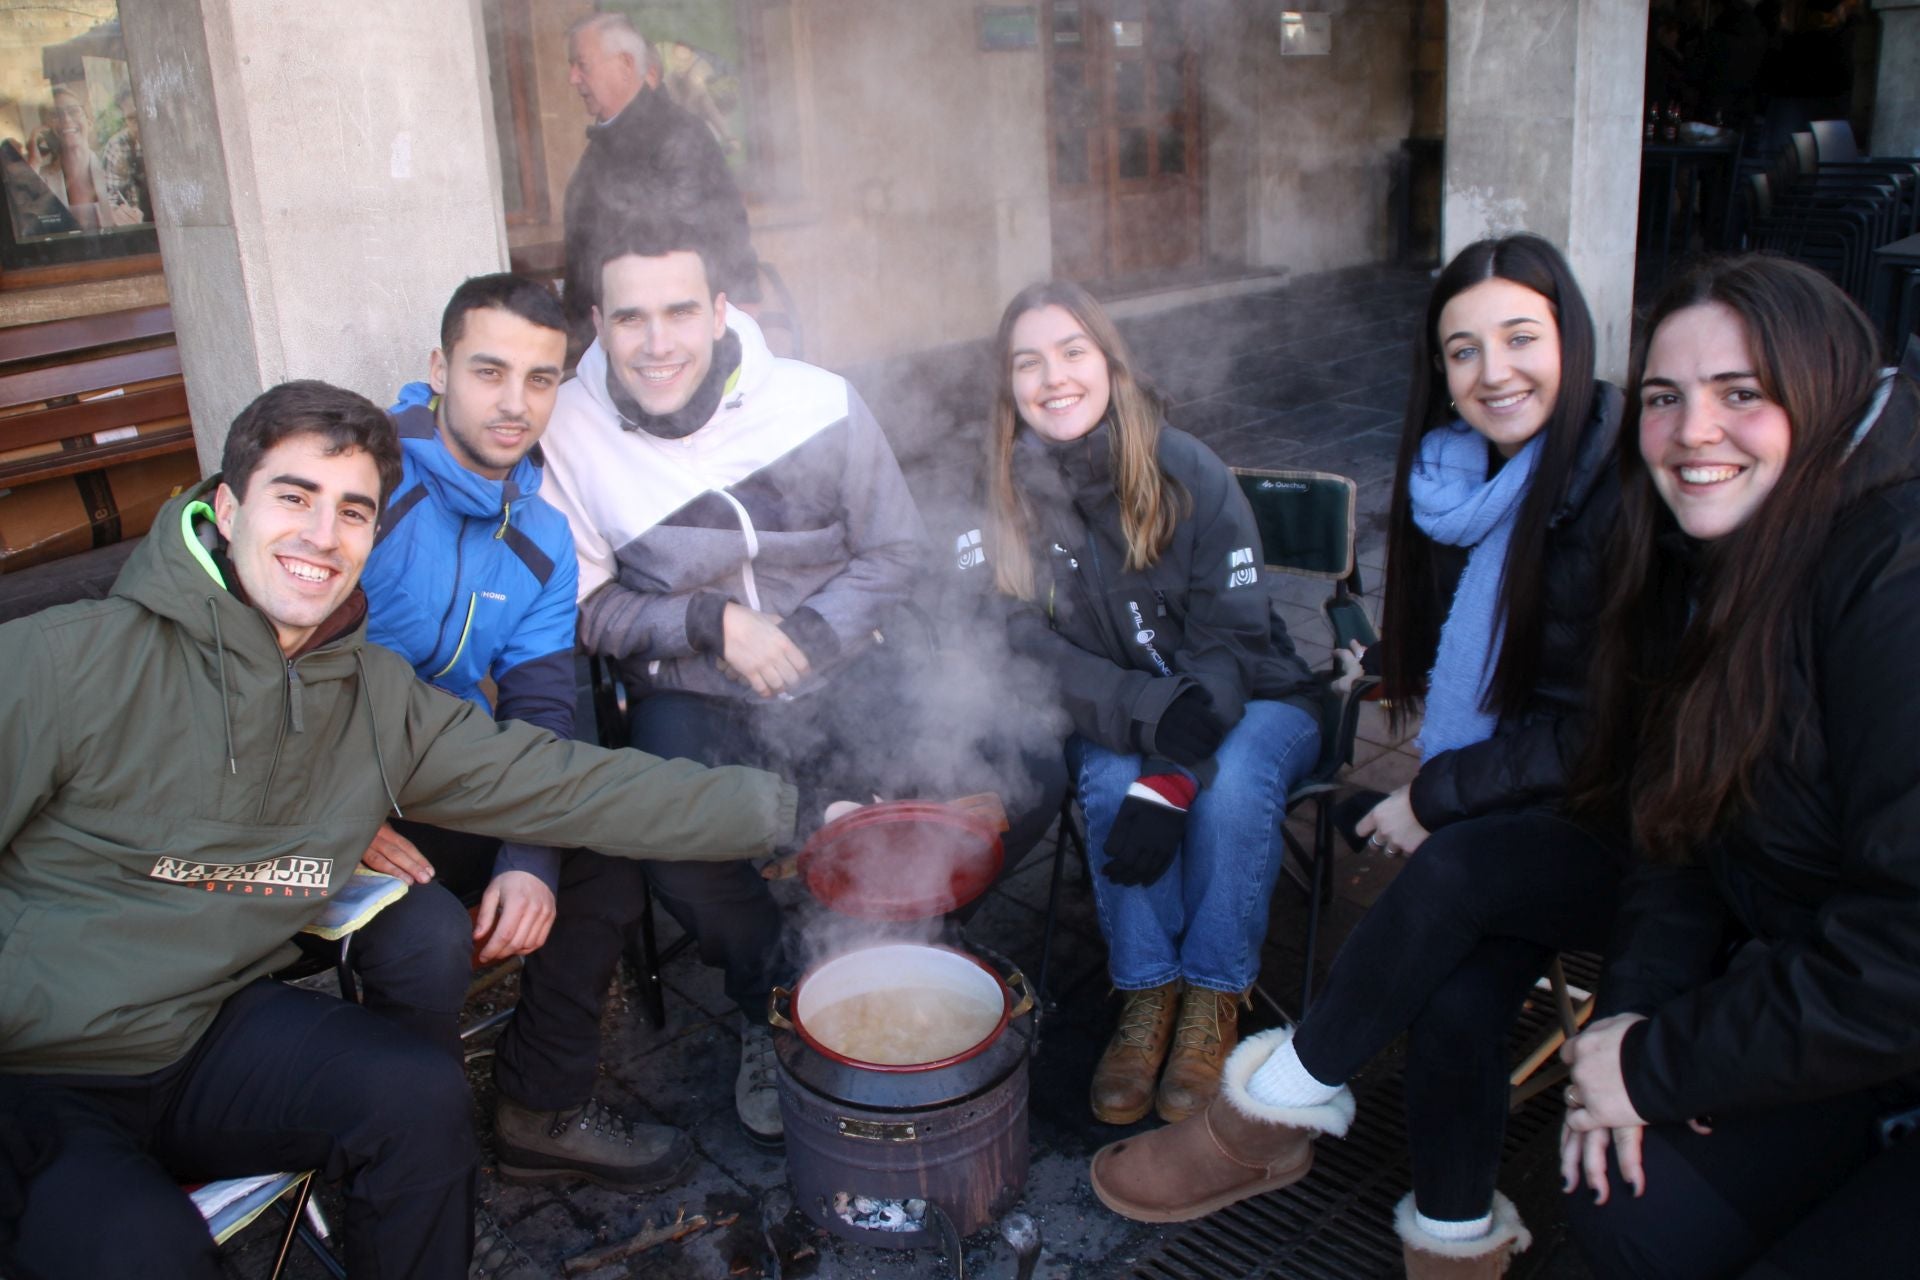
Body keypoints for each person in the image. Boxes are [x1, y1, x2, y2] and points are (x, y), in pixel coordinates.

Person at [0, 380, 796, 1280]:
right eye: (292, 497)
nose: (320, 535)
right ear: (226, 508)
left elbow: (565, 784)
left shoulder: (375, 700)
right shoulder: (63, 662)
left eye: (353, 511)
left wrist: (780, 808)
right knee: (140, 1248)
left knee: (418, 1098)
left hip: (197, 1042)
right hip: (37, 1067)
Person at [1086, 234, 1628, 1278]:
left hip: (1628, 817)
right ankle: (1457, 1238)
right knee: (1460, 998)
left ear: (1574, 336)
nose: (1492, 371)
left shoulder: (1615, 493)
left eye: (1522, 337)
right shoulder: (1471, 478)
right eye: (1462, 351)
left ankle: (1271, 1107)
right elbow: (1509, 668)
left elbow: (1607, 727)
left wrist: (1437, 794)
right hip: (1527, 798)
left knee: (1448, 865)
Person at [519, 213, 932, 1151]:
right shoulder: (572, 435)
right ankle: (776, 999)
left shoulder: (817, 401)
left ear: (719, 311)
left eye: (677, 311)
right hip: (688, 684)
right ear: (597, 323)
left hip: (844, 655)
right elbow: (586, 607)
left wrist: (807, 639)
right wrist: (710, 624)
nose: (656, 343)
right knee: (678, 846)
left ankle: (886, 972)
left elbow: (898, 547)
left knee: (923, 800)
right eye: (630, 319)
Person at [1560, 256, 1920, 1278]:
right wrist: (1630, 1025)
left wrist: (1660, 1062)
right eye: (1666, 397)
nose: (1693, 432)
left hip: (1880, 1000)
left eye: (1741, 394)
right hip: (1836, 1014)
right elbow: (1677, 831)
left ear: (1827, 394)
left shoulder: (1893, 574)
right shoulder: (1714, 559)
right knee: (1624, 1200)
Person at [979, 280, 1323, 1127]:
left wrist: (1171, 777)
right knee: (1104, 778)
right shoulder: (1003, 493)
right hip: (1116, 706)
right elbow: (1017, 641)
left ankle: (1211, 994)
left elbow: (1230, 643)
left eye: (1072, 352)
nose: (1053, 378)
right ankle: (1145, 993)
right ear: (1009, 386)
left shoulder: (1189, 470)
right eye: (1029, 362)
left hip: (1250, 697)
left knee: (1229, 784)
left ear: (1109, 363)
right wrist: (1141, 713)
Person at [329, 274, 573, 1064]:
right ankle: (410, 1137)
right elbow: (260, 667)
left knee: (606, 844)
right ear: (440, 370)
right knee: (428, 937)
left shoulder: (544, 536)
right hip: (318, 791)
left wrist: (531, 859)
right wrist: (337, 815)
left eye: (541, 379)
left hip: (435, 777)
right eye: (489, 371)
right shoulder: (365, 483)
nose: (516, 404)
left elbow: (540, 709)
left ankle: (544, 1100)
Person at [560, 13, 758, 358]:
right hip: (613, 337)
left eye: (582, 65)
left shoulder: (678, 136)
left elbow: (710, 237)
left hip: (664, 344)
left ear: (625, 64)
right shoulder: (607, 141)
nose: (572, 78)